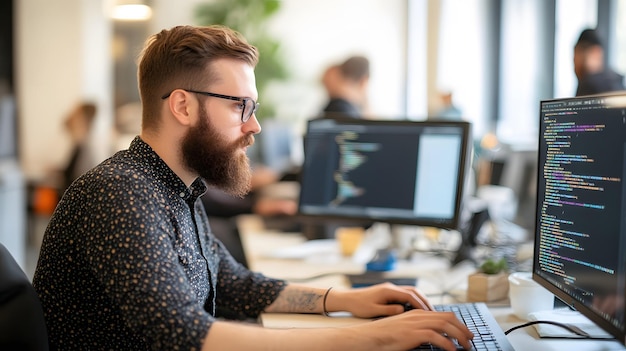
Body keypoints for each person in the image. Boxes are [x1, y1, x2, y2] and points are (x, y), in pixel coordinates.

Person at [32, 25, 473, 350]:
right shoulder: (120, 193)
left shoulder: (174, 187)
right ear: (183, 106)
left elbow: (232, 280)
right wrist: (370, 339)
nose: (254, 125)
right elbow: (184, 334)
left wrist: (347, 299)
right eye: (241, 106)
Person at [573, 28, 625, 96]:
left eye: (577, 53)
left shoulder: (588, 85)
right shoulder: (617, 84)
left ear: (596, 53)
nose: (574, 61)